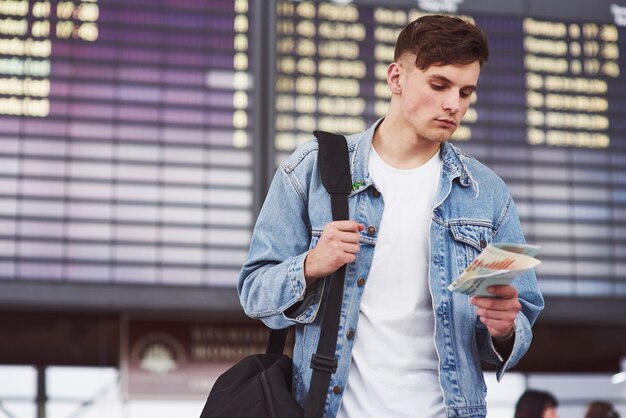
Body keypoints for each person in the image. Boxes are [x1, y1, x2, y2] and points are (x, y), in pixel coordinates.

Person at [238, 14, 544, 418]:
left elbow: (518, 315)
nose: (454, 104)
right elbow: (254, 293)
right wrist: (311, 264)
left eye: (466, 92)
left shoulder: (487, 194)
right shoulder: (312, 171)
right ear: (396, 78)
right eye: (439, 85)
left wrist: (505, 328)